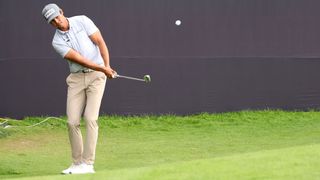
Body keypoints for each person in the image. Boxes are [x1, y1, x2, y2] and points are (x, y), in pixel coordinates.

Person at [42, 3, 116, 174]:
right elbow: (80, 59)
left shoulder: (82, 20)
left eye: (57, 17)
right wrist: (103, 69)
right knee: (72, 121)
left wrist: (107, 66)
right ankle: (77, 163)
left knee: (90, 118)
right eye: (52, 21)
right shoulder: (57, 41)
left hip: (96, 77)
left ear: (61, 12)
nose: (57, 22)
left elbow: (100, 42)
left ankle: (88, 164)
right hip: (76, 79)